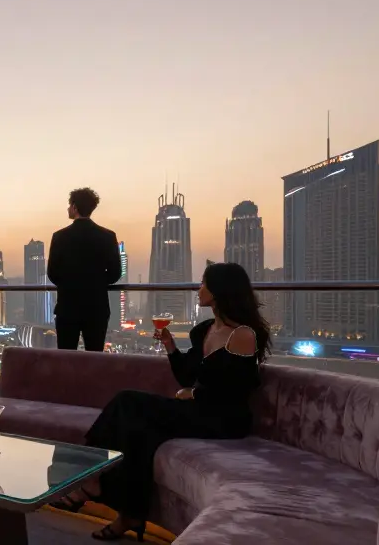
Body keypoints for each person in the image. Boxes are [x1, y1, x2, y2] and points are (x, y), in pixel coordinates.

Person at [53, 262, 271, 541]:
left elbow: (237, 390)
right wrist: (170, 346)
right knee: (140, 432)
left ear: (219, 291)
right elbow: (186, 376)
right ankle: (128, 513)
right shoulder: (206, 330)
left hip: (224, 419)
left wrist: (195, 394)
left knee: (127, 401)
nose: (198, 288)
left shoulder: (242, 334)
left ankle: (90, 480)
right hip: (198, 410)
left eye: (204, 284)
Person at [46, 187, 122, 352]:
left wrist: (70, 282)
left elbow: (52, 273)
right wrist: (97, 281)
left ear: (74, 207)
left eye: (69, 205)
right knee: (94, 357)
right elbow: (116, 273)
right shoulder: (108, 236)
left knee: (66, 358)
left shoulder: (59, 237)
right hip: (97, 308)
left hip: (68, 307)